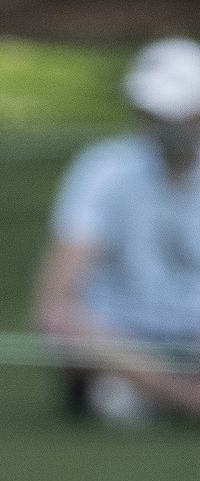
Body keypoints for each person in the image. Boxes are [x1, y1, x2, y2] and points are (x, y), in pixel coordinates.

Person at [32, 37, 200, 424]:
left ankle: (156, 400)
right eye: (150, 112)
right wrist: (184, 393)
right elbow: (55, 305)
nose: (159, 125)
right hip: (127, 342)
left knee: (118, 400)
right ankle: (170, 400)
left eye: (172, 114)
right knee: (78, 342)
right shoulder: (103, 169)